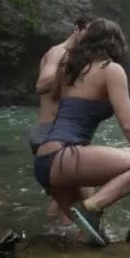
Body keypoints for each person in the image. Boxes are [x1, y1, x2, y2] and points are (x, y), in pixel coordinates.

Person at [33, 18, 130, 245]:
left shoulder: (68, 69)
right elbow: (129, 125)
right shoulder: (111, 69)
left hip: (44, 162)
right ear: (117, 44)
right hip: (65, 155)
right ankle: (90, 208)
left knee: (90, 236)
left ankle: (83, 219)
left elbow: (55, 103)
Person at [29, 14, 98, 223]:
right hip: (50, 132)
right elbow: (41, 85)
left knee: (64, 196)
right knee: (83, 188)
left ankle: (54, 235)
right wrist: (72, 67)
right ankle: (81, 237)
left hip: (64, 134)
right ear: (76, 29)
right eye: (87, 34)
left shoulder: (78, 58)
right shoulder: (58, 53)